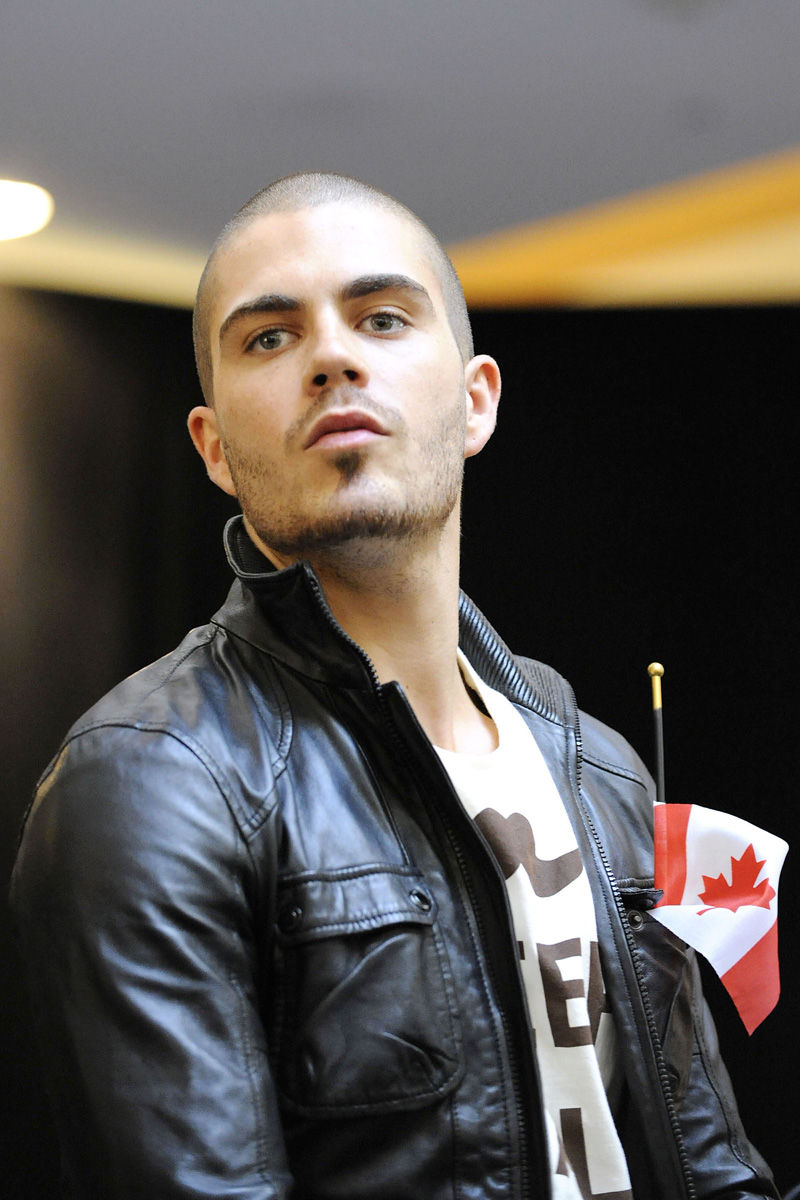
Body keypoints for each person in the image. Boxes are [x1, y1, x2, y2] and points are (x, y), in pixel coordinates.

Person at [10, 172, 777, 1200]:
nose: (332, 357)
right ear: (214, 448)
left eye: (380, 317)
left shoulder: (600, 773)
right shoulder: (153, 780)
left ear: (475, 401)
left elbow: (710, 1170)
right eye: (269, 337)